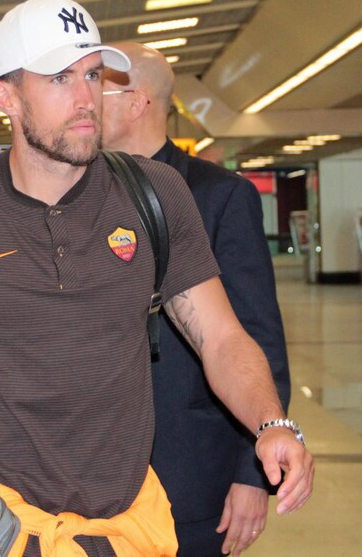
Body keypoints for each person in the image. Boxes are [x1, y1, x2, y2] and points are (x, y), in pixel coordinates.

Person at [0, 0, 313, 557]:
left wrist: (271, 422)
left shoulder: (154, 196)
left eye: (92, 74)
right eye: (60, 77)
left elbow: (220, 337)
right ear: (6, 96)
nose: (86, 97)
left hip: (129, 529)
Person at [101, 42, 291, 556]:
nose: (83, 100)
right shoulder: (80, 196)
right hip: (94, 475)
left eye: (97, 87)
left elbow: (257, 335)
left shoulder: (217, 196)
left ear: (136, 102)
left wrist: (251, 474)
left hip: (190, 471)